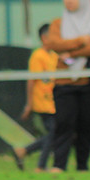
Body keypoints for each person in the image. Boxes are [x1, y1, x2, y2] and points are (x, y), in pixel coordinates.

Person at [42, 0, 90, 172]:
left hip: (88, 82)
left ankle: (82, 165)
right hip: (64, 82)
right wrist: (81, 41)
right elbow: (55, 43)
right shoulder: (58, 23)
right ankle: (59, 164)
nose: (69, 1)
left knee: (86, 124)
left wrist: (71, 54)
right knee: (64, 123)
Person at [13, 24, 59, 172]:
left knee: (54, 133)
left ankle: (23, 151)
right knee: (53, 132)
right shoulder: (37, 56)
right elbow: (31, 81)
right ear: (44, 38)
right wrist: (29, 104)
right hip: (42, 101)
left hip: (53, 100)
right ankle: (40, 165)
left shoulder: (54, 55)